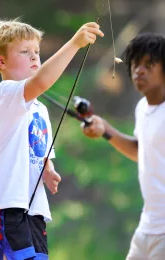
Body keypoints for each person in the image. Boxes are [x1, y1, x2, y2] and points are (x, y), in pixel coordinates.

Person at [0, 18, 103, 259]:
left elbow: (40, 150)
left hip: (33, 208)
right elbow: (42, 81)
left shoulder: (39, 109)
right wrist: (75, 44)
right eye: (25, 52)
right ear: (0, 61)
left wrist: (48, 170)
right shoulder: (4, 94)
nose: (35, 57)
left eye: (36, 51)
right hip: (5, 204)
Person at [82, 32, 165, 259]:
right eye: (136, 63)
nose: (140, 70)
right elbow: (141, 152)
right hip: (147, 226)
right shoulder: (142, 108)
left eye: (150, 64)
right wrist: (105, 129)